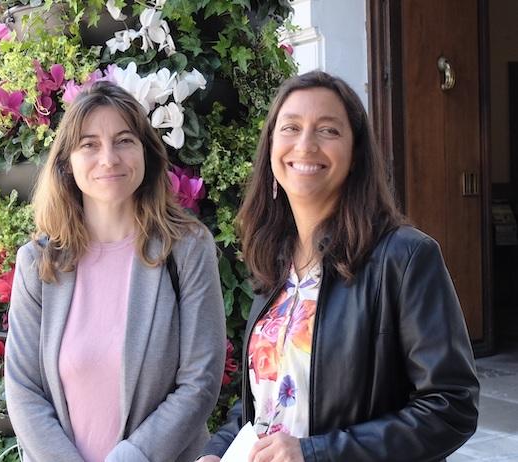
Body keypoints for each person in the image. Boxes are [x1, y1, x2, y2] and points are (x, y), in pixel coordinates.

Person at [199, 71, 479, 462]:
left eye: (328, 130)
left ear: (355, 155)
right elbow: (268, 400)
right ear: (270, 149)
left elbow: (451, 407)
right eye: (291, 127)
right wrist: (217, 450)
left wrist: (316, 453)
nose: (305, 144)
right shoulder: (275, 264)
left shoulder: (405, 258)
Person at [5, 82, 226, 462]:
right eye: (89, 144)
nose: (109, 158)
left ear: (146, 153)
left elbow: (200, 381)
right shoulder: (38, 262)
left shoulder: (187, 249)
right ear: (67, 162)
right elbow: (24, 388)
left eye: (124, 140)